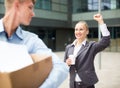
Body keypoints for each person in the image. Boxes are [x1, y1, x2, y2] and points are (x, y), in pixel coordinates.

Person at [0, 0, 69, 88]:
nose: (33, 14)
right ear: (17, 5)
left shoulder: (31, 40)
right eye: (30, 7)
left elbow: (61, 67)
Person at [64, 13, 110, 88]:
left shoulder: (91, 46)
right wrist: (67, 63)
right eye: (76, 29)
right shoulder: (69, 47)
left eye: (81, 29)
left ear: (87, 32)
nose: (78, 32)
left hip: (87, 84)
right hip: (73, 84)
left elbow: (105, 42)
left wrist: (101, 22)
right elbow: (64, 65)